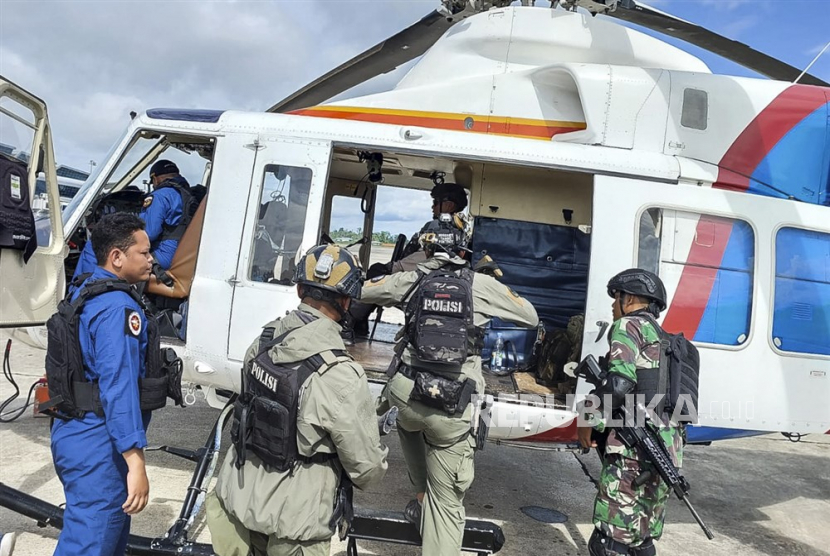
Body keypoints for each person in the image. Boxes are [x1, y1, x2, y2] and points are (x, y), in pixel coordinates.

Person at [360, 214, 539, 556]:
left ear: (426, 247)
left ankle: (420, 492)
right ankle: (434, 504)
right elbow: (529, 316)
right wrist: (490, 291)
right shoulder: (479, 284)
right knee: (448, 502)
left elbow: (364, 291)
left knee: (407, 423)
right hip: (452, 403)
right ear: (462, 248)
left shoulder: (410, 279)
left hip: (406, 396)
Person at [206, 244, 389, 556]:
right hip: (294, 526)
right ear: (346, 301)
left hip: (237, 503)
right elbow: (366, 471)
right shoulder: (342, 375)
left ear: (300, 289)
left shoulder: (262, 343)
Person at [50, 213, 155, 555]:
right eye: (144, 252)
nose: (152, 259)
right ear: (116, 257)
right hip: (100, 441)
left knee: (101, 539)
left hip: (75, 432)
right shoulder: (116, 307)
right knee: (92, 543)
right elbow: (118, 387)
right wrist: (135, 461)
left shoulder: (84, 290)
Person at [577, 269, 682, 556]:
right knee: (640, 537)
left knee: (611, 541)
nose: (613, 304)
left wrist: (587, 417)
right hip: (666, 452)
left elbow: (620, 382)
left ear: (631, 298)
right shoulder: (668, 342)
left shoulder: (627, 326)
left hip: (635, 449)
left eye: (617, 297)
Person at [345, 181, 469, 340]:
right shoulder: (460, 229)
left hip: (424, 278)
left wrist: (392, 268)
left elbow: (430, 256)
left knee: (377, 272)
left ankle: (351, 321)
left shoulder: (441, 230)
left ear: (449, 206)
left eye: (435, 203)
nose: (432, 207)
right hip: (430, 277)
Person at [73, 159, 194, 280]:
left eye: (153, 182)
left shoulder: (161, 195)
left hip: (164, 255)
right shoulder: (188, 194)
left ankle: (83, 287)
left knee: (95, 245)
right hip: (183, 252)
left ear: (155, 179)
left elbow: (149, 233)